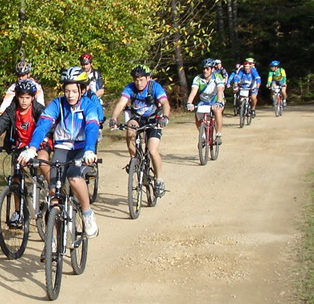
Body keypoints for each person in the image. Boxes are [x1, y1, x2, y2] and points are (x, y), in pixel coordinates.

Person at [17, 66, 101, 238]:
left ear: (82, 90)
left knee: (75, 179)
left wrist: (90, 150)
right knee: (53, 194)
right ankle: (52, 243)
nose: (69, 95)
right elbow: (43, 126)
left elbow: (92, 127)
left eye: (74, 91)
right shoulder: (57, 104)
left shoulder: (88, 105)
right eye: (66, 91)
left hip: (81, 149)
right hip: (62, 148)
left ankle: (87, 214)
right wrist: (32, 148)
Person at [0, 80, 52, 225]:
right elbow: (0, 125)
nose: (24, 101)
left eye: (27, 97)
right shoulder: (12, 110)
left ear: (33, 97)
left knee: (42, 163)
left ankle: (53, 193)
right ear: (17, 97)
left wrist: (46, 138)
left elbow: (48, 125)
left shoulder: (39, 110)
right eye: (21, 97)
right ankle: (18, 212)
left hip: (39, 144)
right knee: (16, 178)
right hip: (20, 147)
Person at [108, 65, 171, 197]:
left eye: (141, 79)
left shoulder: (155, 87)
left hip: (154, 119)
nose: (138, 82)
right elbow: (121, 103)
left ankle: (159, 180)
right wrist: (113, 118)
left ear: (148, 78)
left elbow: (165, 103)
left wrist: (165, 117)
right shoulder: (130, 87)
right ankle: (133, 159)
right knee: (130, 126)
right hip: (138, 118)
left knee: (152, 150)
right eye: (136, 79)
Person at [185, 58, 226, 143]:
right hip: (204, 101)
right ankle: (202, 135)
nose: (205, 71)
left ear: (212, 69)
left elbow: (220, 90)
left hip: (216, 100)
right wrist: (189, 103)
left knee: (217, 110)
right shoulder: (198, 78)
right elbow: (193, 92)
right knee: (197, 114)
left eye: (207, 69)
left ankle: (218, 135)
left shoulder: (218, 77)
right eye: (204, 68)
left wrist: (219, 102)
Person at [80, 52, 106, 126]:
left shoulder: (96, 74)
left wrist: (92, 96)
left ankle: (100, 120)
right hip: (81, 99)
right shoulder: (78, 73)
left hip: (93, 98)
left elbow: (101, 90)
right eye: (83, 64)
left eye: (86, 64)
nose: (84, 66)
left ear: (91, 64)